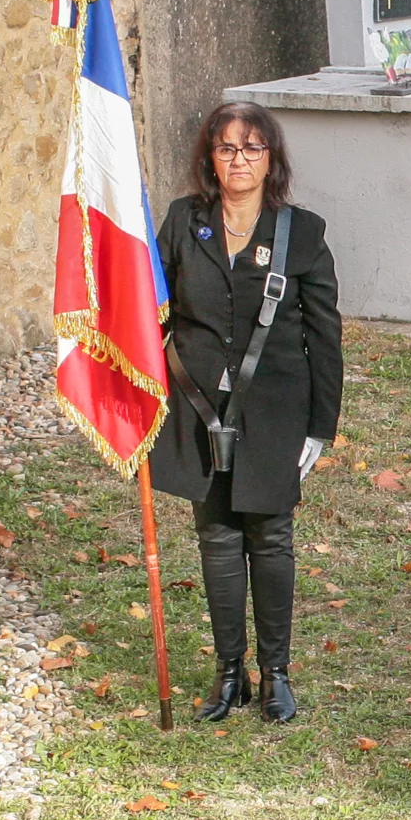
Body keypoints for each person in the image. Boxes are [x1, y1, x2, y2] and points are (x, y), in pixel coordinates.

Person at [149, 102, 343, 724]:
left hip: (276, 406)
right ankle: (229, 672)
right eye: (227, 148)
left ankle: (276, 674)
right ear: (210, 156)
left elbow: (325, 337)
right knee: (217, 537)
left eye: (252, 149)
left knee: (270, 533)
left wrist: (320, 425)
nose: (240, 160)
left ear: (271, 159)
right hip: (198, 406)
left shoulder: (303, 232)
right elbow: (152, 311)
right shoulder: (184, 222)